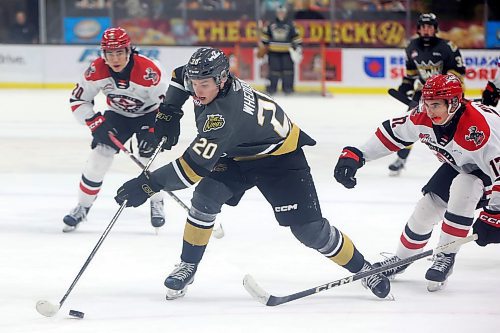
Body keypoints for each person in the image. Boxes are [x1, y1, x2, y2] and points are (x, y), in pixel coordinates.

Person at [114, 47, 391, 300]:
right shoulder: (206, 80)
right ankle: (188, 264)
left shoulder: (223, 116)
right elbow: (179, 76)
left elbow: (191, 170)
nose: (197, 92)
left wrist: (149, 184)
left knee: (309, 231)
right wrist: (168, 112)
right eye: (194, 84)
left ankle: (365, 269)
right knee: (205, 198)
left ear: (222, 80)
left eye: (204, 85)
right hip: (238, 153)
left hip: (279, 157)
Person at [334, 74, 500, 291]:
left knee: (464, 187)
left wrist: (495, 214)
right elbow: (393, 134)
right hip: (463, 163)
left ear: (454, 103)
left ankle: (445, 256)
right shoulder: (424, 116)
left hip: (488, 171)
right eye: (427, 104)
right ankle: (401, 259)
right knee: (426, 208)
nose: (430, 112)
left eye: (436, 105)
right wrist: (358, 155)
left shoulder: (479, 130)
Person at [63, 27, 169, 232]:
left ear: (129, 51)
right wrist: (94, 121)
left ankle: (157, 201)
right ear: (103, 54)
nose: (115, 58)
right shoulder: (96, 71)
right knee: (99, 157)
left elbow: (168, 106)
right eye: (110, 53)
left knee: (148, 157)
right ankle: (83, 207)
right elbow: (78, 99)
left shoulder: (149, 71)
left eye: (119, 52)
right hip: (117, 115)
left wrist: (155, 129)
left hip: (150, 115)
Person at [388, 13, 466, 176]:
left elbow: (458, 72)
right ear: (418, 29)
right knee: (410, 123)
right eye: (423, 27)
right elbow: (411, 73)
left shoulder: (447, 46)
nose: (426, 30)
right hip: (425, 91)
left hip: (448, 94)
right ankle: (401, 159)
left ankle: (463, 160)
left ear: (435, 29)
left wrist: (446, 90)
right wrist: (406, 85)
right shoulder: (412, 47)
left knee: (454, 126)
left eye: (429, 27)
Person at [260, 5, 302, 95]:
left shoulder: (291, 24)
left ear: (285, 13)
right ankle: (272, 89)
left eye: (282, 12)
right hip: (273, 52)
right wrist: (264, 47)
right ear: (277, 13)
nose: (281, 14)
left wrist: (297, 47)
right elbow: (265, 37)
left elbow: (296, 37)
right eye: (279, 12)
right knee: (274, 70)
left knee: (288, 71)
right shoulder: (270, 23)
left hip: (287, 52)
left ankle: (288, 89)